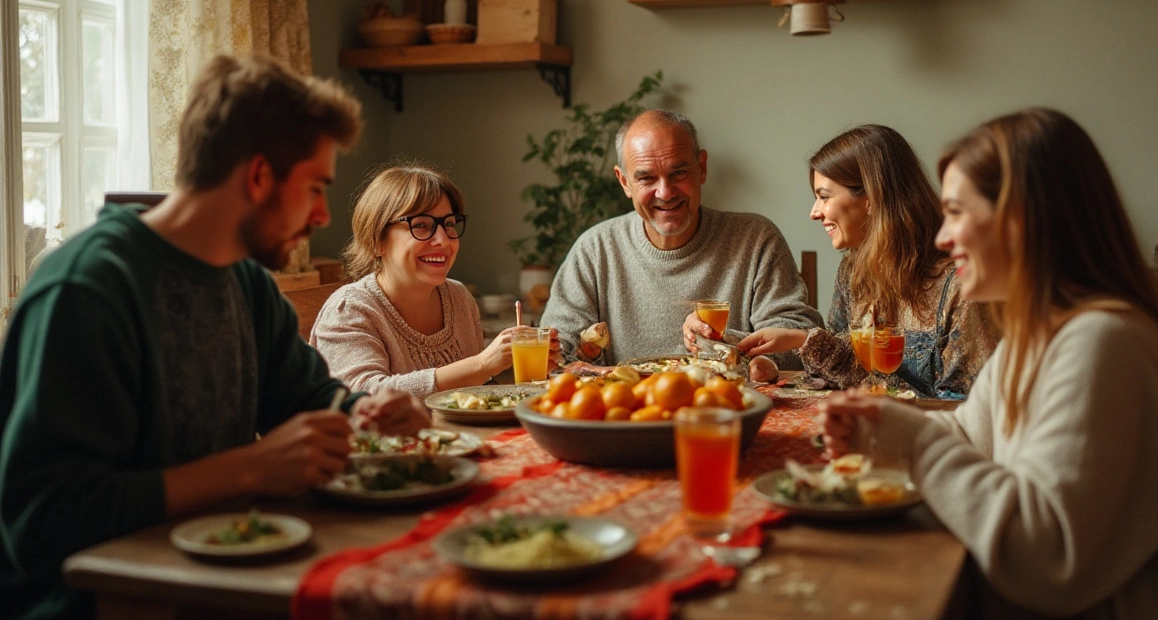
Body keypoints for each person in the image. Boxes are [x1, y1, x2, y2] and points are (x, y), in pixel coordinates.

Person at [0, 55, 432, 620]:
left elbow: (313, 405)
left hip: (214, 580)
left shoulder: (246, 283)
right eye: (316, 187)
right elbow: (43, 520)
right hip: (97, 604)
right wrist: (250, 468)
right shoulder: (89, 290)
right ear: (258, 176)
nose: (325, 214)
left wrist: (376, 414)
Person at [820, 109, 1158, 618]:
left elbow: (1045, 560)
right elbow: (968, 437)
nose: (941, 237)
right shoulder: (1040, 336)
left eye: (957, 212)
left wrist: (912, 444)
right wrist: (881, 429)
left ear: (1019, 219)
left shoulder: (1102, 344)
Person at [540, 109, 822, 367]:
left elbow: (800, 342)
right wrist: (559, 352)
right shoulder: (595, 249)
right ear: (624, 182)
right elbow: (557, 349)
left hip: (724, 412)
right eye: (647, 179)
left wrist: (723, 343)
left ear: (702, 167)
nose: (665, 192)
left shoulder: (756, 239)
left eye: (678, 173)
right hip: (627, 413)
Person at [735, 126, 997, 398]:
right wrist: (802, 340)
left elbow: (965, 409)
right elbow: (844, 376)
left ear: (872, 197)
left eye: (824, 197)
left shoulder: (959, 287)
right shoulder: (852, 272)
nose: (814, 212)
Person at [312, 163, 556, 396]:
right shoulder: (350, 309)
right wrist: (481, 364)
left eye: (448, 224)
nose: (443, 240)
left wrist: (518, 365)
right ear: (377, 241)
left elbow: (473, 394)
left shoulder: (458, 298)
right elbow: (364, 397)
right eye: (420, 225)